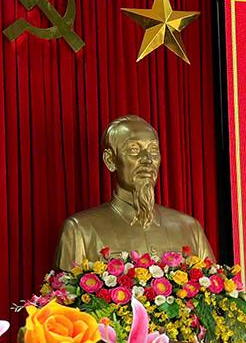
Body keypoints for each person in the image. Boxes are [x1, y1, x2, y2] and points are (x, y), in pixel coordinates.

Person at [54, 115, 215, 270]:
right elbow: (66, 294)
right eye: (133, 150)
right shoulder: (80, 230)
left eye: (153, 150)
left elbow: (216, 294)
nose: (147, 159)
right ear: (110, 160)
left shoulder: (190, 228)